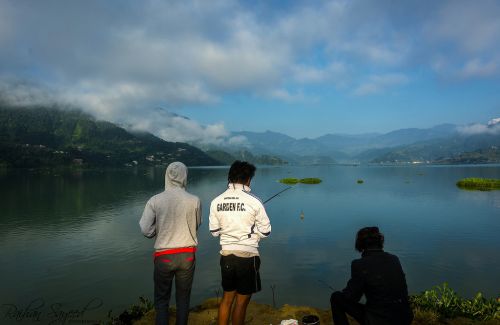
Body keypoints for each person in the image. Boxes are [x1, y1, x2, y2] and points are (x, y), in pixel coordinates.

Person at [209, 161, 272, 325]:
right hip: (247, 257)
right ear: (248, 179)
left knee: (227, 298)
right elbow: (266, 231)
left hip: (226, 256)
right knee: (241, 302)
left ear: (230, 177)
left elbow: (214, 232)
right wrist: (254, 235)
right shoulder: (255, 201)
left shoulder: (216, 201)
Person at [139, 162, 201, 325]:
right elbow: (197, 223)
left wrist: (158, 232)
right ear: (184, 176)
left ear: (166, 176)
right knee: (183, 300)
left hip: (164, 256)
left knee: (161, 301)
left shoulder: (155, 200)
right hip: (187, 256)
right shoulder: (194, 200)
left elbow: (145, 229)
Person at [330, 227, 413, 325]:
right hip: (405, 318)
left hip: (380, 321)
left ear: (360, 244)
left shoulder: (359, 264)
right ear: (380, 242)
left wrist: (345, 293)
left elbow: (352, 297)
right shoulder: (394, 259)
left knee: (336, 298)